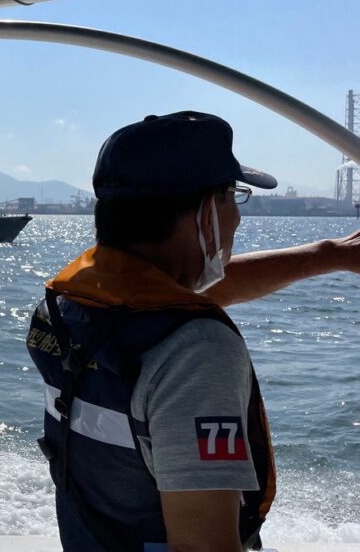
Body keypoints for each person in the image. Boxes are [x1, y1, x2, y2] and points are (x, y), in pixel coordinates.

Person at [27, 112, 360, 552]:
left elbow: (171, 295)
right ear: (206, 212)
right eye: (233, 196)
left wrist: (330, 254)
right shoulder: (196, 352)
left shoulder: (72, 306)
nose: (237, 217)